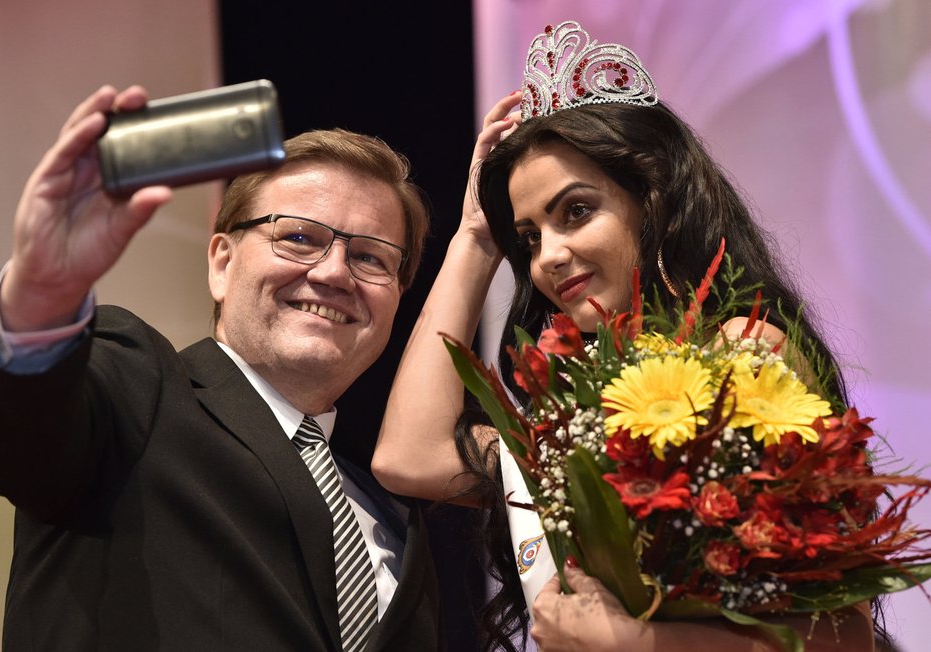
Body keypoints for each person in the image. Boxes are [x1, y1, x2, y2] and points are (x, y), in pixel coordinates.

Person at [372, 20, 875, 652]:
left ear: (655, 199)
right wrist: (475, 240)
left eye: (575, 211)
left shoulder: (743, 351)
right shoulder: (582, 410)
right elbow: (409, 456)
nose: (548, 256)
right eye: (528, 237)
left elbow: (842, 634)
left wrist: (629, 642)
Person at [0, 84, 439, 651]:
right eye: (300, 238)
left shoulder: (391, 514)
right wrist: (40, 291)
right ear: (222, 263)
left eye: (369, 257)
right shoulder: (138, 392)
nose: (334, 272)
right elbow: (14, 428)